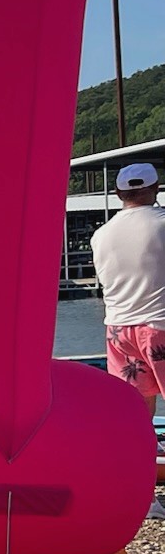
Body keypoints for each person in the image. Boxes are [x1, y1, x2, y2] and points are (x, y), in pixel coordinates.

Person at [94, 162, 165, 414]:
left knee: (135, 406)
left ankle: (142, 451)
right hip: (159, 324)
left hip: (119, 329)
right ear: (156, 188)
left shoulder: (100, 235)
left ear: (118, 194)